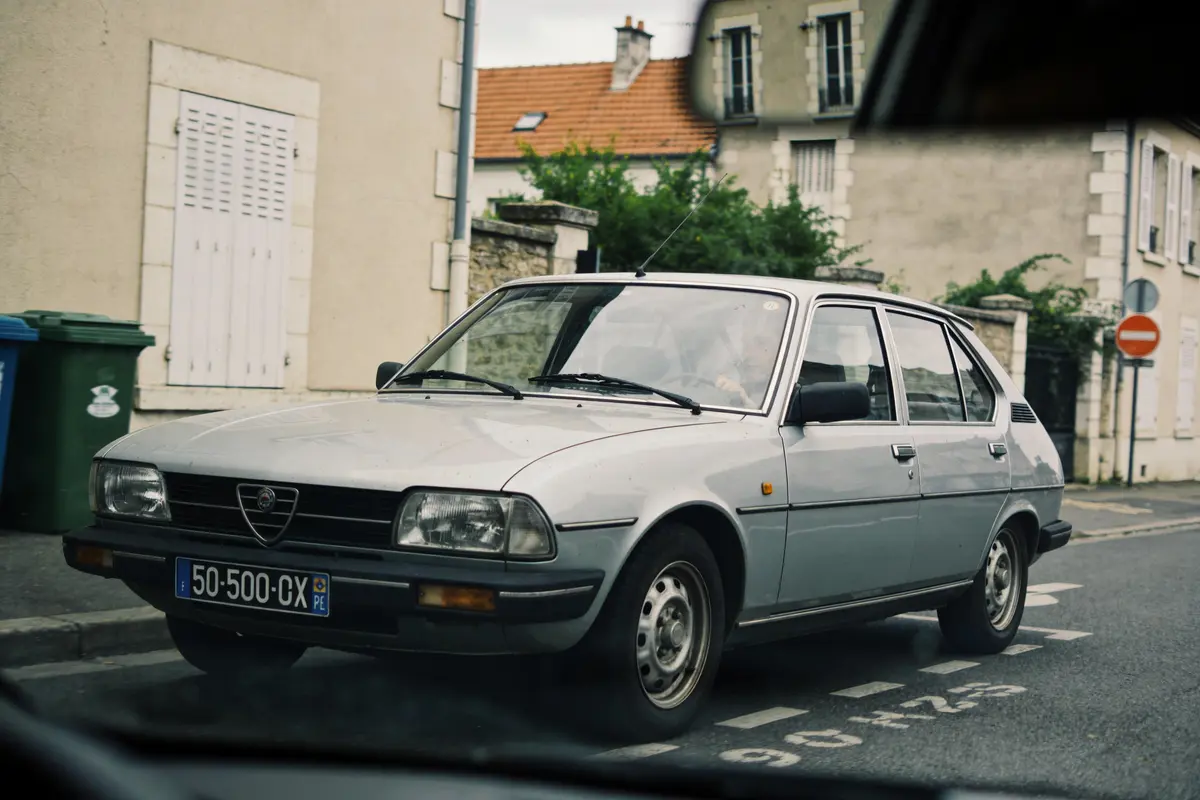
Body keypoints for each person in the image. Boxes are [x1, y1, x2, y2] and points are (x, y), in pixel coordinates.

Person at [715, 331, 779, 407]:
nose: (748, 354)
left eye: (760, 344)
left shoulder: (787, 393)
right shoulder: (732, 379)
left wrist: (745, 402)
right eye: (745, 346)